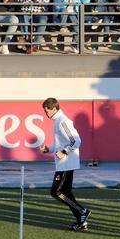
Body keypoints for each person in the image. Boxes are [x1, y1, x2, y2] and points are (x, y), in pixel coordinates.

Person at [38, 97, 90, 231]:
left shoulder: (62, 121)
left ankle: (82, 211)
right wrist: (48, 149)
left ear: (54, 109)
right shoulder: (57, 121)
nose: (46, 114)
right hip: (64, 163)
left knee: (56, 192)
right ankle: (81, 221)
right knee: (66, 193)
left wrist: (64, 152)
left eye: (47, 111)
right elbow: (60, 143)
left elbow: (76, 141)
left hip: (66, 163)